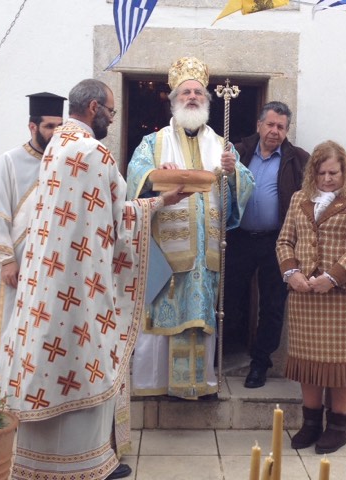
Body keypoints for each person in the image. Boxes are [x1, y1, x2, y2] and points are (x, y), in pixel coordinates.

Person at [0, 79, 188, 480]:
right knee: (85, 360)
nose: (112, 119)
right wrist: (161, 202)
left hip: (48, 285)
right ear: (95, 107)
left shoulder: (56, 146)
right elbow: (120, 220)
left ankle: (37, 464)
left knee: (51, 362)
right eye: (111, 111)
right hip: (80, 289)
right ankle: (82, 465)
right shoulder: (92, 152)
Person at [127, 56, 254, 399]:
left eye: (198, 92)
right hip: (165, 252)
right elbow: (134, 178)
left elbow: (245, 188)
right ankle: (155, 385)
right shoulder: (153, 143)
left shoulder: (222, 146)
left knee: (201, 314)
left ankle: (199, 385)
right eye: (186, 92)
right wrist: (156, 176)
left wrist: (234, 172)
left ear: (207, 100)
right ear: (174, 100)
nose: (193, 97)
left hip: (205, 253)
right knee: (160, 314)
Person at [276, 140, 346, 453]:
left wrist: (332, 277)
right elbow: (284, 241)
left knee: (341, 363)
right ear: (313, 173)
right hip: (304, 294)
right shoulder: (299, 198)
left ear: (345, 171)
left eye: (333, 172)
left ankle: (337, 426)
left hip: (345, 295)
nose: (328, 178)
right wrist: (292, 273)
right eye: (321, 173)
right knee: (307, 361)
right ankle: (310, 424)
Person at [0, 92, 66, 392]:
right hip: (20, 265)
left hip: (54, 264)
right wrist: (7, 260)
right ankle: (6, 395)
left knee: (50, 330)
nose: (55, 133)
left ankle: (41, 394)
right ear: (32, 127)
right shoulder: (8, 162)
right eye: (49, 126)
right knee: (14, 327)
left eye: (59, 126)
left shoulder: (65, 162)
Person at [223, 101, 309, 389]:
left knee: (272, 305)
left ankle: (260, 363)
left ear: (287, 131)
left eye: (281, 127)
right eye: (270, 124)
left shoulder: (298, 159)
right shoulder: (238, 152)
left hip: (278, 241)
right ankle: (221, 352)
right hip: (239, 237)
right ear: (259, 125)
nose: (275, 131)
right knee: (229, 297)